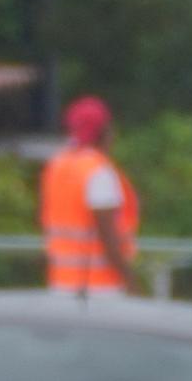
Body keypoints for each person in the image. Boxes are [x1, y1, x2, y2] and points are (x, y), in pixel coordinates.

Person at [40, 97, 138, 296]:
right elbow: (108, 236)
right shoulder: (98, 172)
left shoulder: (57, 165)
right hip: (99, 288)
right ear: (102, 132)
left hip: (60, 284)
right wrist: (130, 280)